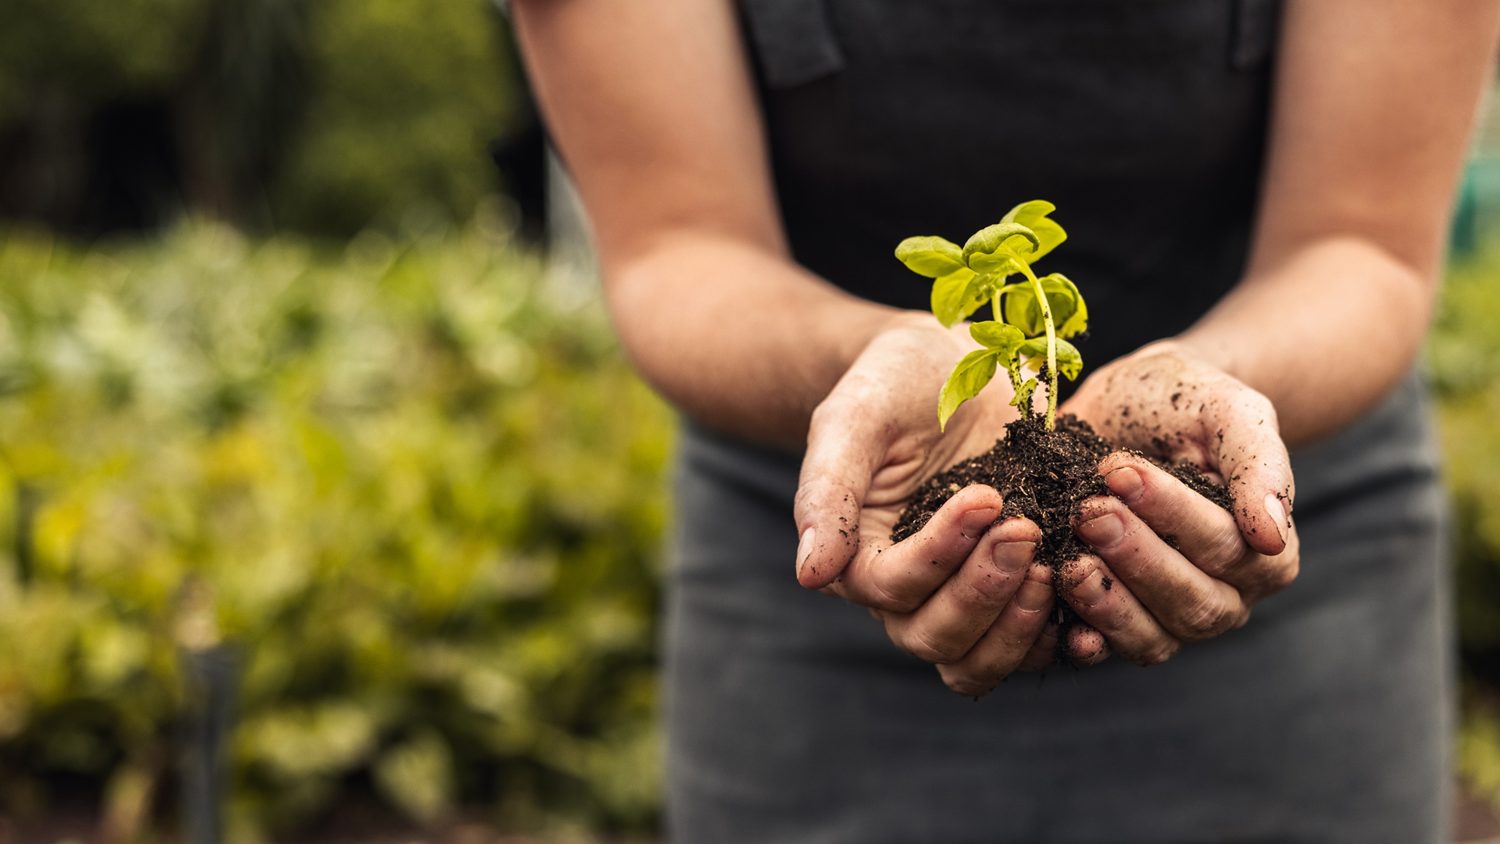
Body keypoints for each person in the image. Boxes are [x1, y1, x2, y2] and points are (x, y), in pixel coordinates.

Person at [510, 1, 1500, 841]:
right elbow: (677, 244)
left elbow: (1362, 240)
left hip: (1273, 538)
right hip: (838, 540)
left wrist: (1217, 378)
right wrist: (870, 355)